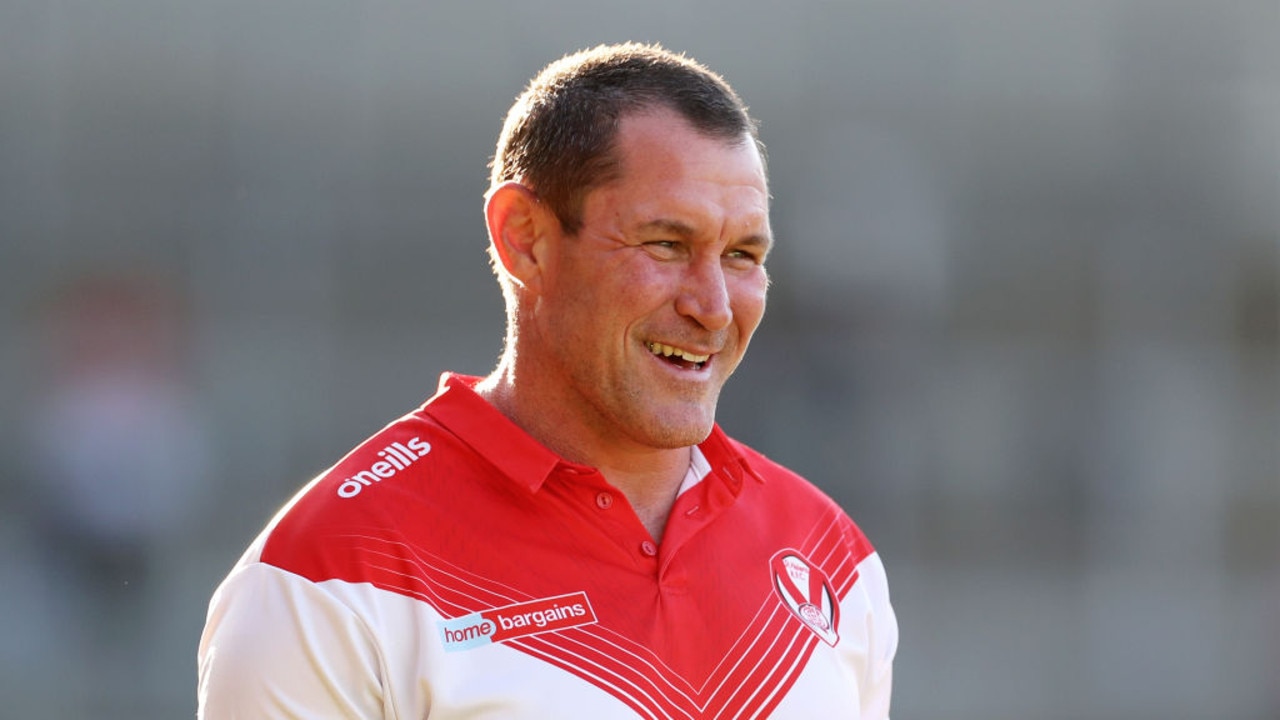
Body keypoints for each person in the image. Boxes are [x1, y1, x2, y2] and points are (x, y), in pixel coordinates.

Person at [198, 42, 897, 719]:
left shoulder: (832, 556)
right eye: (666, 244)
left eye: (743, 254)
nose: (713, 306)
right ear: (524, 238)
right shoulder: (329, 573)